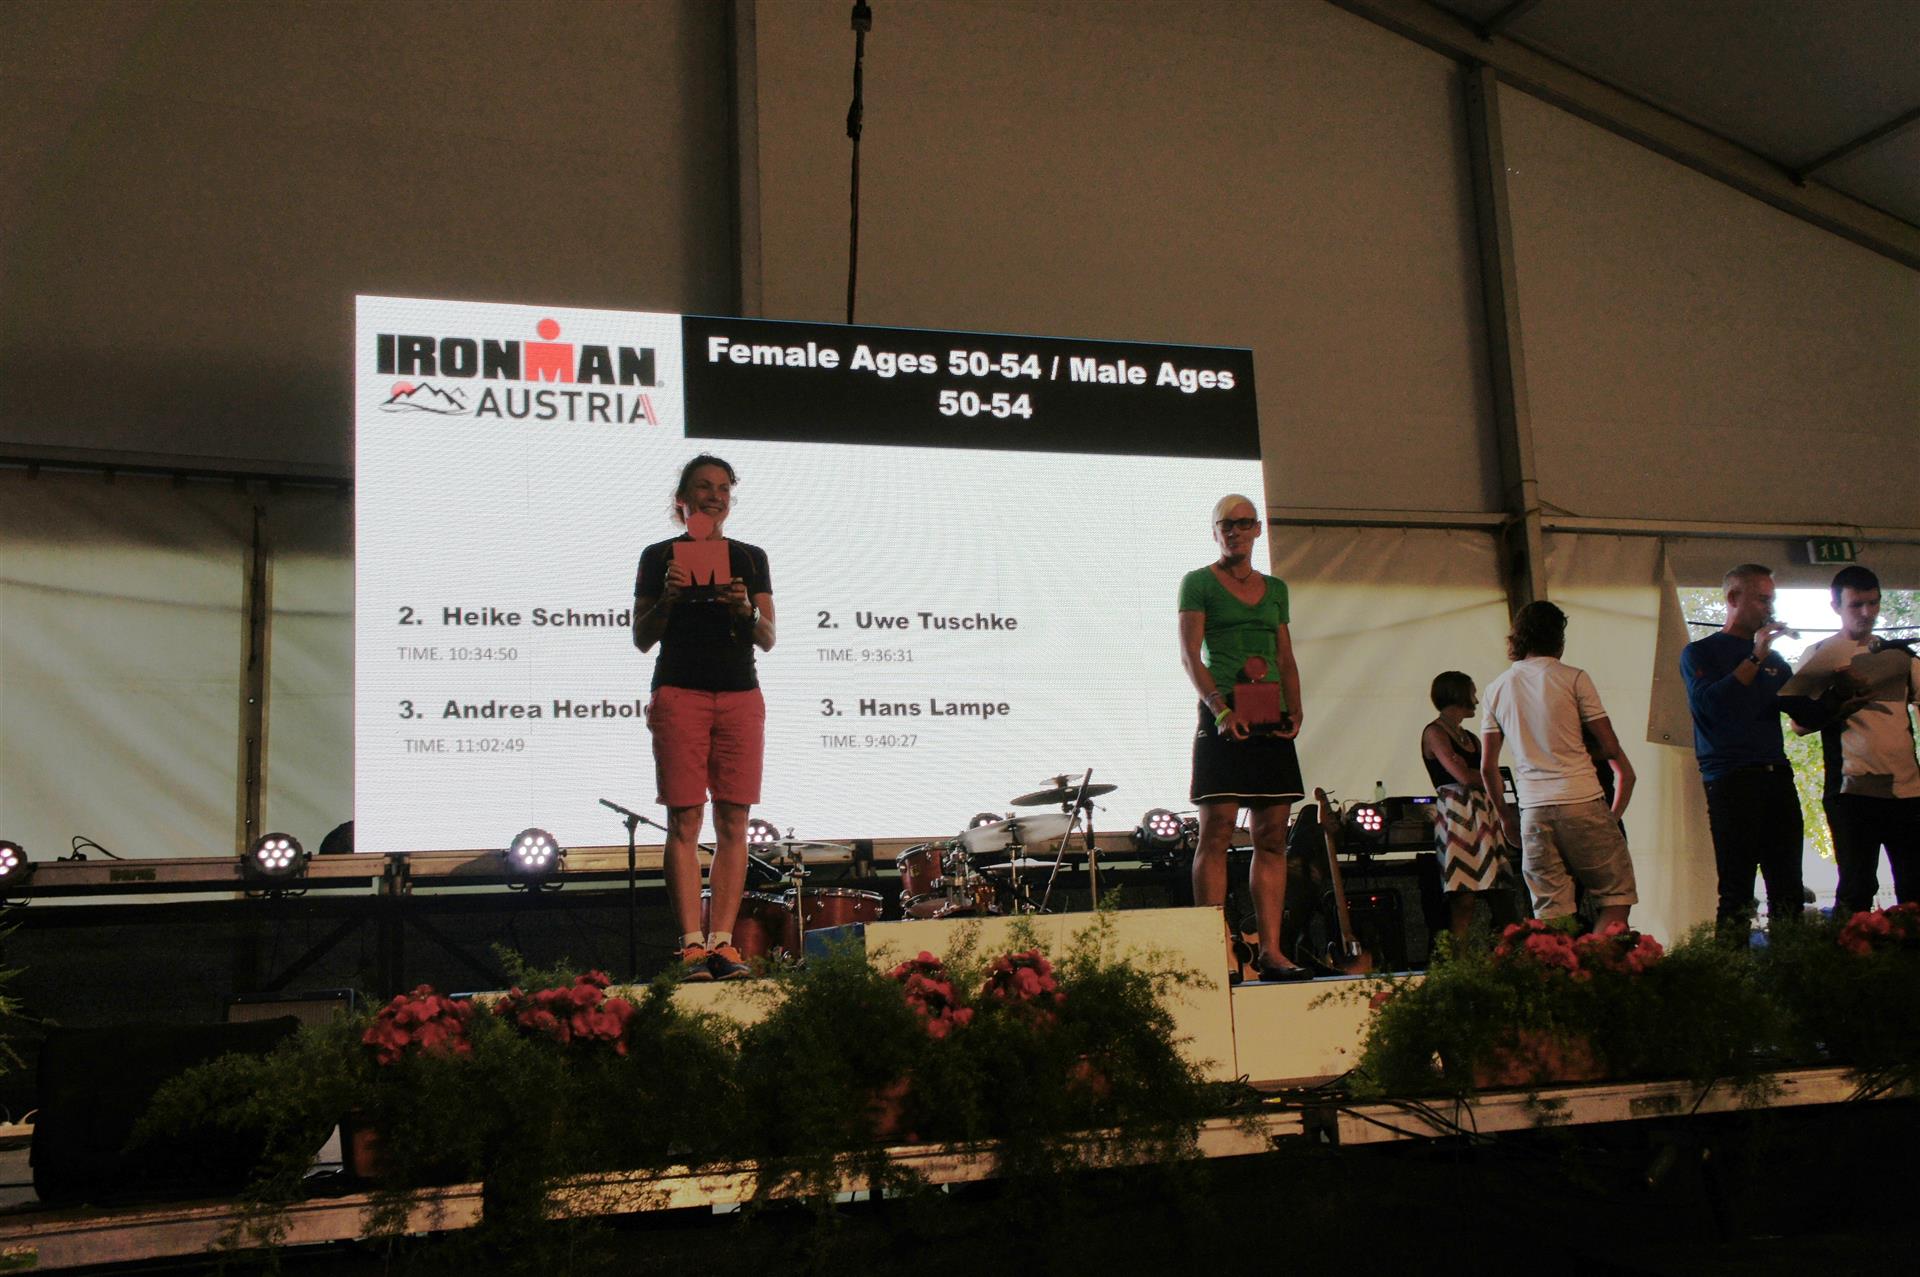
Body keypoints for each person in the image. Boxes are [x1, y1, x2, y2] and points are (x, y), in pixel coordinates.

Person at [632, 455, 776, 980]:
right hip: (679, 692)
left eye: (722, 488)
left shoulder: (750, 557)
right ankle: (692, 946)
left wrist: (744, 609)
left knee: (734, 820)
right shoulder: (657, 556)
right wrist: (668, 599)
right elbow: (641, 637)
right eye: (703, 486)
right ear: (683, 497)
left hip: (740, 694)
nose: (714, 496)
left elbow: (768, 636)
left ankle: (724, 943)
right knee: (685, 819)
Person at [1178, 494, 1309, 981]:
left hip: (1269, 712)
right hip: (1224, 709)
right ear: (1215, 532)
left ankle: (1271, 951)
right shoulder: (1197, 582)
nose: (1234, 531)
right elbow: (1190, 654)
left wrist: (1295, 708)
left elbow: (1285, 656)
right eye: (1225, 525)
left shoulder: (1276, 589)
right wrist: (1219, 707)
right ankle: (1216, 952)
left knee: (1272, 835)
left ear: (1257, 529)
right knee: (1217, 829)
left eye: (1243, 523)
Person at [1478, 601, 1638, 927]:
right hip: (1581, 798)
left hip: (1533, 809)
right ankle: (1597, 954)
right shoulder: (1575, 678)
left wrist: (1506, 816)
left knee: (1553, 916)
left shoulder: (1496, 689)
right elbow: (1609, 747)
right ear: (1558, 638)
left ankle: (1563, 959)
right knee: (1616, 898)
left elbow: (1487, 768)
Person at [1680, 564, 1814, 935]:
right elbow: (1711, 705)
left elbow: (1804, 714)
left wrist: (1843, 693)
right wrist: (1755, 656)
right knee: (1737, 891)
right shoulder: (1700, 653)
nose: (1770, 608)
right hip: (1731, 780)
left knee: (1788, 887)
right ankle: (1731, 969)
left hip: (1776, 776)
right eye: (1762, 599)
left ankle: (1790, 964)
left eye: (1772, 600)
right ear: (1733, 598)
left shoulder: (1775, 662)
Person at [1790, 565, 1920, 916]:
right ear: (1836, 606)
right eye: (1856, 605)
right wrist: (1838, 701)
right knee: (1857, 886)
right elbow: (1799, 724)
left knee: (1914, 885)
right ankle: (1852, 948)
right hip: (1851, 790)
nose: (1867, 612)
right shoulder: (1820, 655)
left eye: (1873, 603)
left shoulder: (1901, 656)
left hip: (1908, 789)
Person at [1420, 671, 1517, 947]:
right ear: (1458, 695)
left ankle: (1506, 953)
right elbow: (1463, 776)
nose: (1475, 700)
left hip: (1483, 814)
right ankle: (1458, 959)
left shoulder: (1471, 737)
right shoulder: (1434, 733)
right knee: (1463, 898)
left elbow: (1485, 775)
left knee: (1499, 892)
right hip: (1457, 816)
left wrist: (1486, 777)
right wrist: (1487, 777)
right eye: (1472, 693)